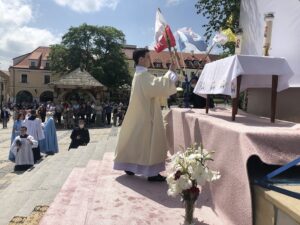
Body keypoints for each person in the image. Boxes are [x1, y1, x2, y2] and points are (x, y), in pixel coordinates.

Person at [113, 48, 177, 182]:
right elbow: (158, 86)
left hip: (140, 113)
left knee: (135, 141)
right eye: (148, 57)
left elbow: (154, 89)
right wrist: (170, 72)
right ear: (141, 59)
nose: (150, 60)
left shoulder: (139, 75)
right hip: (147, 116)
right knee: (149, 142)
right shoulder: (143, 76)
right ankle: (152, 172)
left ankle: (129, 166)